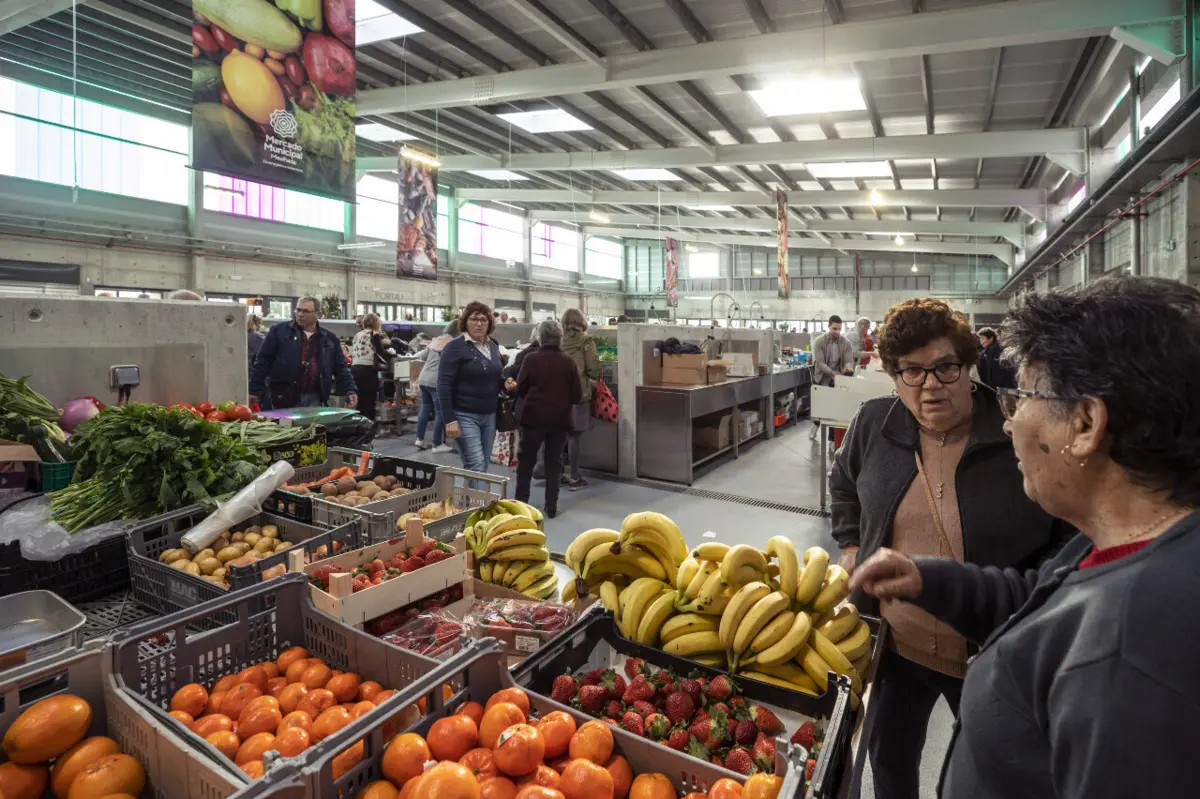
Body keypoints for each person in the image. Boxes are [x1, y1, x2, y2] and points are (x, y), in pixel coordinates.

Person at [849, 277, 1200, 799]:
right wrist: (931, 580)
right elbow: (1040, 600)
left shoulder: (1134, 658)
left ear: (1084, 424)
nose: (1013, 422)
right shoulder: (1113, 545)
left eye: (1026, 395)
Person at [828, 298, 1064, 799]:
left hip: (990, 650)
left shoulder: (1014, 433)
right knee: (889, 762)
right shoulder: (875, 424)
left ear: (968, 365)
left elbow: (1063, 532)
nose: (929, 385)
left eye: (945, 368)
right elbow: (843, 484)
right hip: (893, 645)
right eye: (911, 371)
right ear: (893, 375)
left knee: (984, 779)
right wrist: (851, 544)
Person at [514, 320, 582, 518]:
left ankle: (521, 505)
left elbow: (520, 388)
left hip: (533, 417)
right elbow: (577, 395)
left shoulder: (531, 359)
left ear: (539, 338)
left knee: (526, 462)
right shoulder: (569, 361)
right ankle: (551, 507)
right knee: (554, 463)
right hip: (560, 420)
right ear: (560, 338)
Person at [249, 296, 357, 410]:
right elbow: (263, 361)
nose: (300, 314)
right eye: (298, 310)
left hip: (315, 397)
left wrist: (350, 389)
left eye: (306, 311)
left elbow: (341, 368)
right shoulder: (279, 332)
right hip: (283, 396)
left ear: (318, 314)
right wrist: (253, 390)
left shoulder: (329, 339)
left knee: (311, 428)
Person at [438, 301, 506, 473]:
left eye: (483, 320)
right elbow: (443, 385)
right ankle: (478, 501)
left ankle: (472, 500)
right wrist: (449, 420)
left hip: (489, 415)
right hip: (464, 415)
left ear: (489, 323)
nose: (479, 323)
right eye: (474, 319)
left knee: (482, 465)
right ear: (465, 322)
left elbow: (495, 376)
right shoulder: (455, 348)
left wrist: (505, 383)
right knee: (475, 464)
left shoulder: (493, 346)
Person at [560, 308, 601, 491]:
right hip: (578, 394)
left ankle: (558, 474)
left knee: (558, 436)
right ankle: (575, 478)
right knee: (575, 436)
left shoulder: (558, 340)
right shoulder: (586, 341)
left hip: (557, 394)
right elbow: (593, 368)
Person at [809, 314, 857, 440]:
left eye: (839, 329)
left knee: (834, 408)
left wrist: (848, 367)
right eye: (834, 328)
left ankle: (832, 439)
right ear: (829, 326)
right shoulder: (819, 341)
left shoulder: (846, 343)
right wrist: (832, 373)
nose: (837, 332)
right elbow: (820, 363)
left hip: (838, 378)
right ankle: (816, 425)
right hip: (823, 377)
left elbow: (848, 360)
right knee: (821, 407)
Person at [415, 320, 457, 453]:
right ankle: (437, 444)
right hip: (437, 381)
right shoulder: (454, 343)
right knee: (440, 412)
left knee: (425, 409)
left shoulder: (436, 340)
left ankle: (419, 439)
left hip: (423, 378)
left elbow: (422, 356)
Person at [349, 313, 395, 421]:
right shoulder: (374, 333)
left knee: (359, 401)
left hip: (354, 369)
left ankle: (359, 426)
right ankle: (368, 427)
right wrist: (393, 357)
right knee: (368, 401)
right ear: (376, 322)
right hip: (367, 370)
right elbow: (380, 352)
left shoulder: (357, 335)